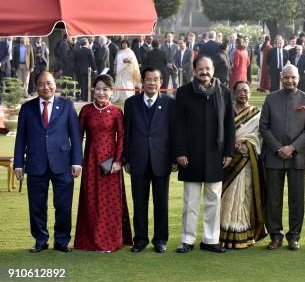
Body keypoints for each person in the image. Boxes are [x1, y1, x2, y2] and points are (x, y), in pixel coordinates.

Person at [13, 71, 83, 252]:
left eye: (49, 83)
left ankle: (61, 241)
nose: (46, 87)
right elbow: (20, 138)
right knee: (36, 206)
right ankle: (40, 240)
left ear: (55, 84)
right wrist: (19, 164)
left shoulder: (67, 106)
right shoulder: (27, 108)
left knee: (63, 206)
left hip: (63, 163)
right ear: (36, 87)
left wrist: (77, 162)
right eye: (42, 84)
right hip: (36, 163)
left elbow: (76, 137)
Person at [174, 56, 235, 254]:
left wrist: (228, 152)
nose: (204, 72)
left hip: (216, 155)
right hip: (190, 155)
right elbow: (179, 125)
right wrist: (180, 151)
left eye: (208, 68)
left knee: (213, 200)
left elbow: (229, 125)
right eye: (200, 69)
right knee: (190, 201)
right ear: (194, 71)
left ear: (213, 71)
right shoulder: (183, 93)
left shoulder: (224, 92)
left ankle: (211, 239)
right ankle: (187, 239)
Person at [259, 64, 305, 250]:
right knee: (273, 199)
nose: (290, 81)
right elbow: (264, 128)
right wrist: (278, 148)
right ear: (281, 78)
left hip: (297, 157)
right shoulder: (270, 98)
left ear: (298, 78)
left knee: (296, 199)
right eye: (286, 77)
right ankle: (276, 235)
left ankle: (294, 236)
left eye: (293, 77)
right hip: (274, 157)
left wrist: (292, 148)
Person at [74, 74, 132, 252]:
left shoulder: (116, 112)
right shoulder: (86, 111)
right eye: (98, 88)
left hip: (110, 165)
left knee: (110, 202)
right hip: (91, 162)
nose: (101, 92)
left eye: (105, 89)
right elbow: (77, 137)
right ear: (93, 90)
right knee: (91, 201)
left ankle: (110, 241)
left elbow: (122, 137)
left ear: (111, 91)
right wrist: (77, 161)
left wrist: (118, 161)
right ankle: (89, 241)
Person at [123, 68, 176, 253]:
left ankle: (160, 240)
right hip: (138, 160)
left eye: (156, 79)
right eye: (148, 79)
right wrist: (126, 159)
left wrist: (174, 159)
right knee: (139, 204)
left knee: (161, 203)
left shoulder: (170, 103)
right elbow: (126, 133)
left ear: (161, 82)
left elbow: (173, 134)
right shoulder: (131, 103)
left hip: (162, 160)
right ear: (142, 82)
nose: (152, 83)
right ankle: (140, 240)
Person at [219, 81, 267, 249]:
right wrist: (234, 145)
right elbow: (221, 133)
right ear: (234, 93)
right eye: (239, 91)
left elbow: (259, 137)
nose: (243, 94)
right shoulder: (226, 112)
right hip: (228, 161)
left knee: (244, 197)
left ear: (250, 94)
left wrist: (247, 145)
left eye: (246, 91)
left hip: (247, 161)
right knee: (226, 196)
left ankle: (244, 232)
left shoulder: (257, 114)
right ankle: (224, 233)